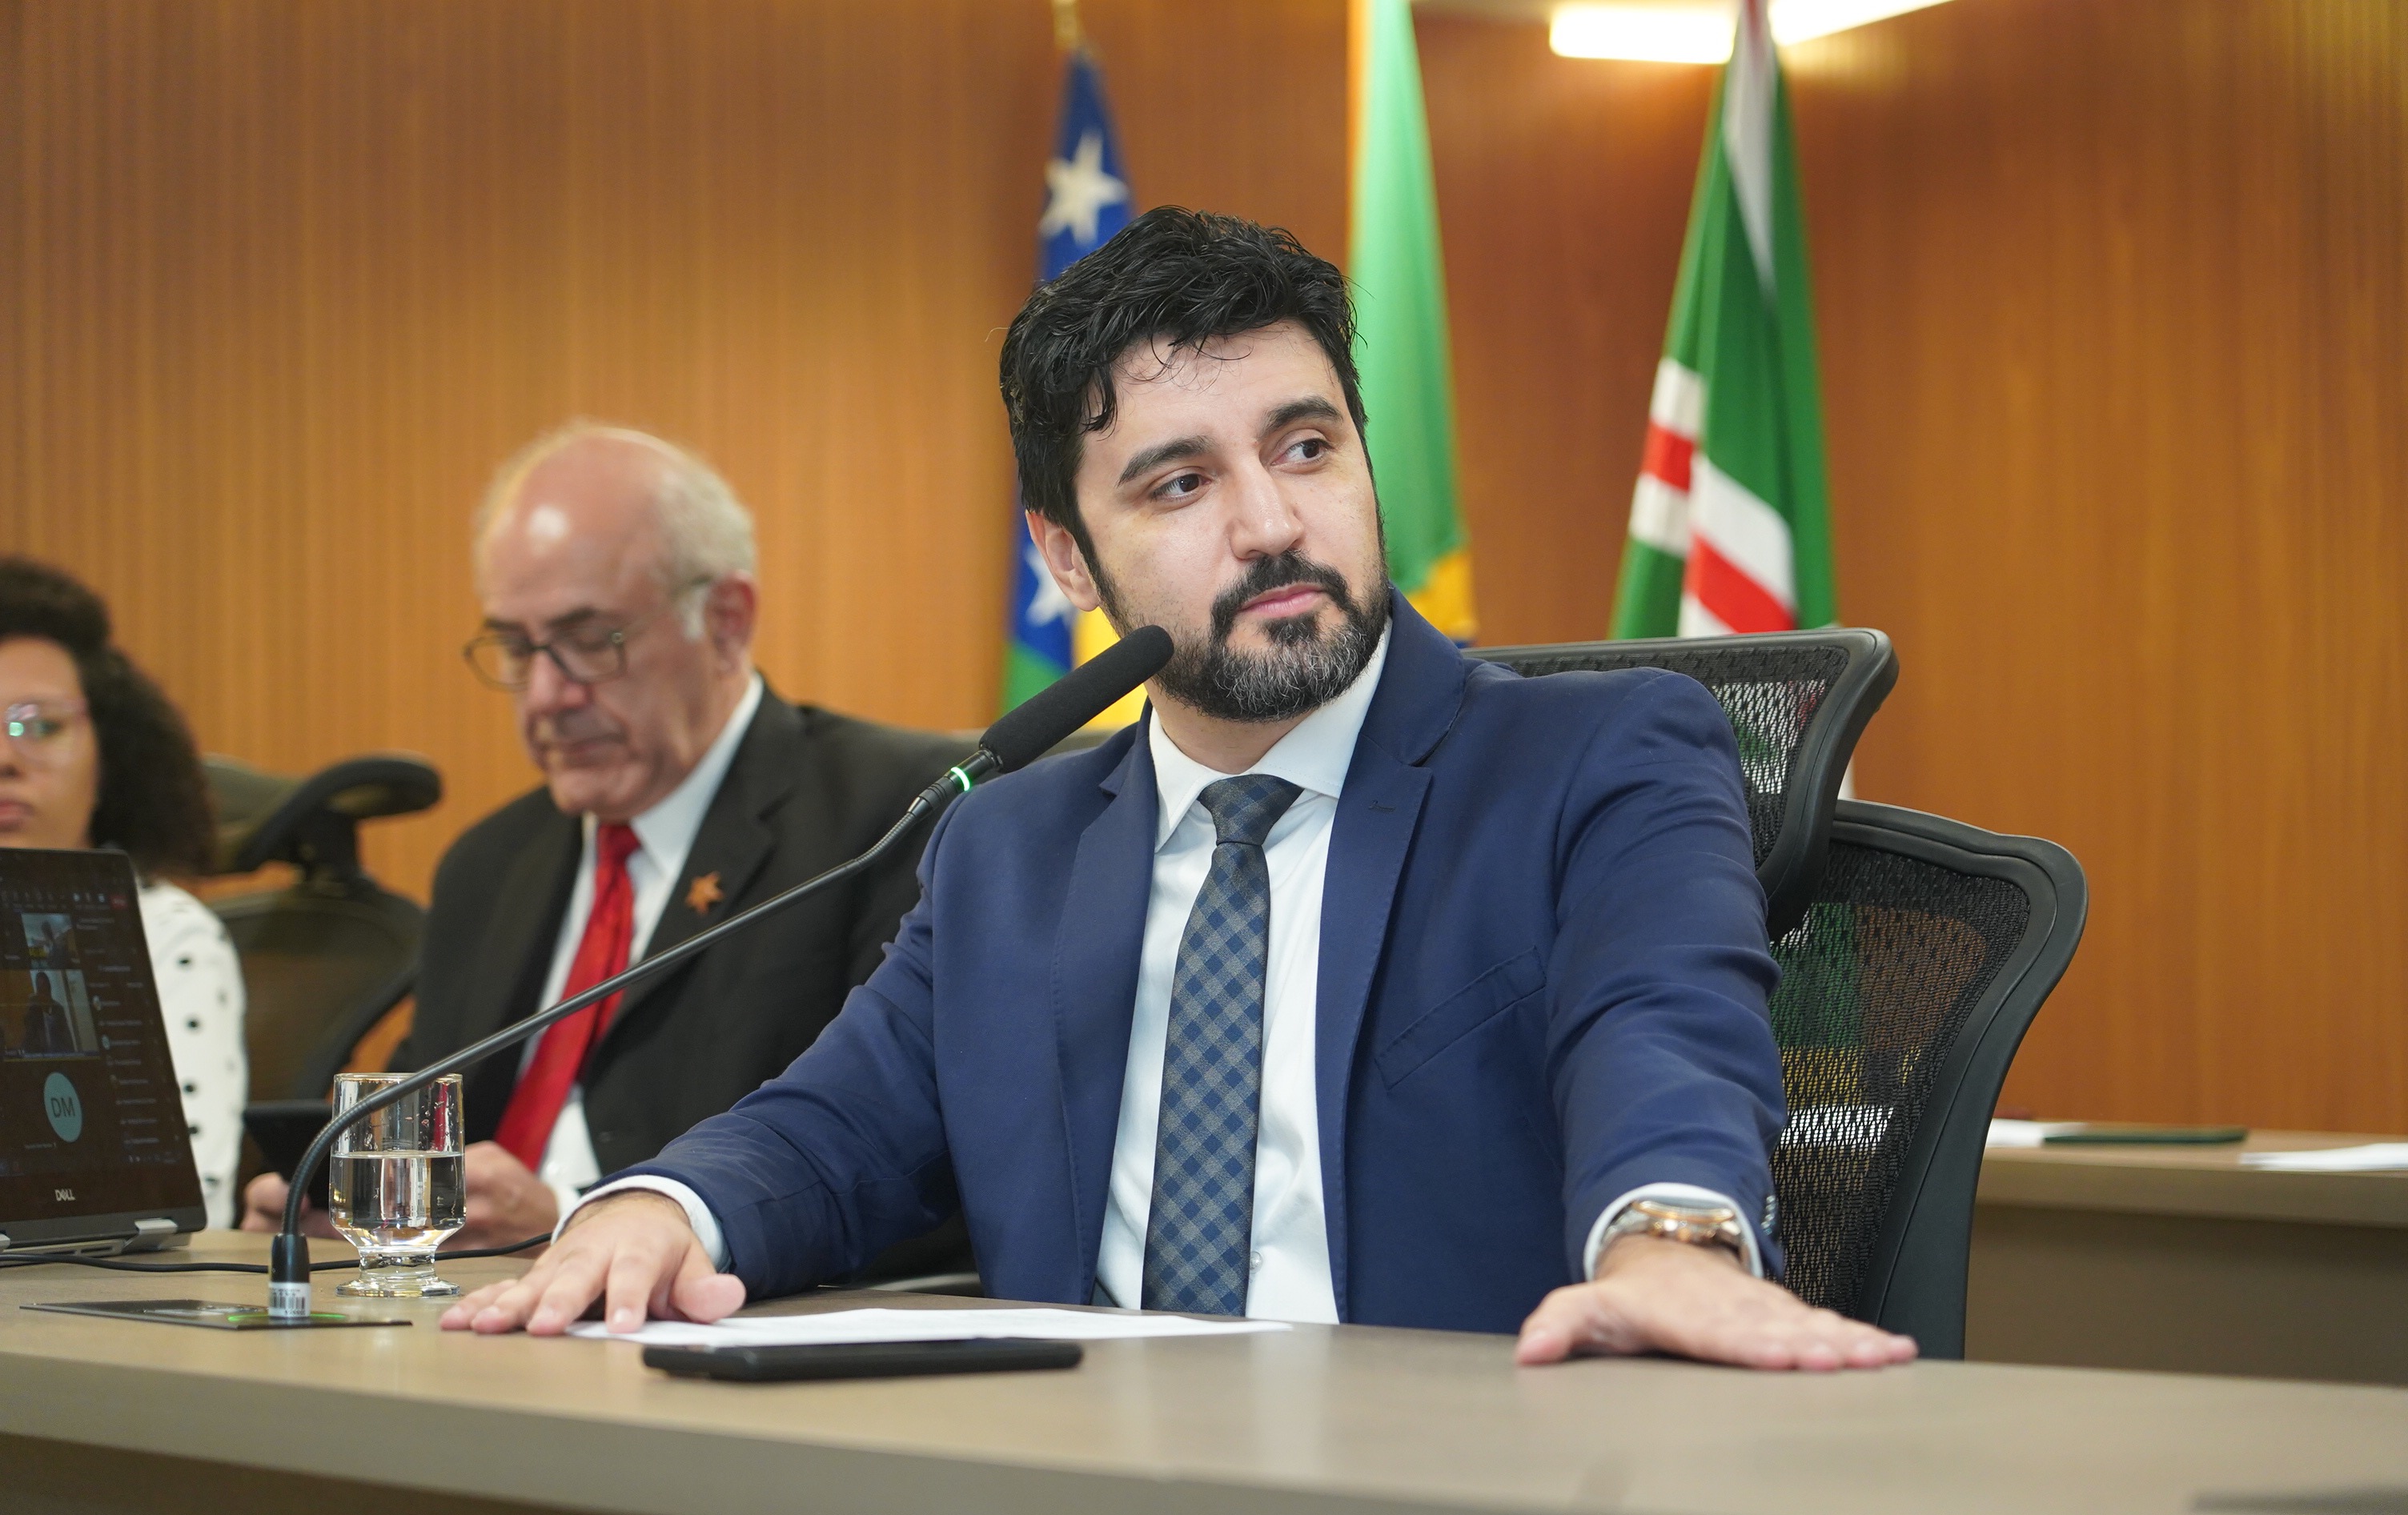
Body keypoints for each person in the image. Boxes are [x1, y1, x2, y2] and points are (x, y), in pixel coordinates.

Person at [446, 212, 1916, 1371]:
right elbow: (831, 1131)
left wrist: (1665, 1244)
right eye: (1179, 484)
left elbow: (1662, 1034)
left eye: (1305, 447)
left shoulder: (1595, 761)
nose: (1272, 523)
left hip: (1458, 1498)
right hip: (1083, 1510)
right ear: (1066, 558)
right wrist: (658, 1207)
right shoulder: (1007, 846)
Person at [242, 425, 972, 1255]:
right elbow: (420, 1121)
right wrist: (347, 1196)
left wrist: (570, 1214)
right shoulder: (489, 863)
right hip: (461, 1306)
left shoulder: (893, 817)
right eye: (516, 648)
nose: (545, 696)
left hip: (707, 1309)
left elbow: (919, 1165)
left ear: (726, 620)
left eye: (590, 641)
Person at [0, 558, 247, 1225]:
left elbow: (185, 1201)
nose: (5, 758)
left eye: (38, 725)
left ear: (109, 755)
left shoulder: (169, 935)